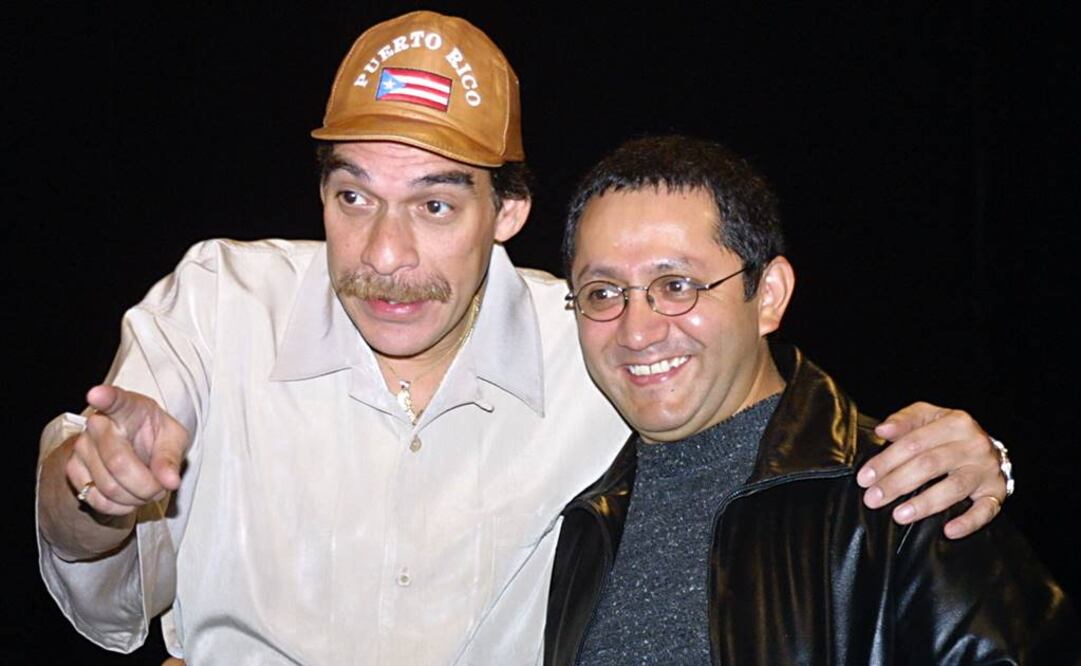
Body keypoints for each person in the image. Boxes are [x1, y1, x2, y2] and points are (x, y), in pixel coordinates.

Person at [36, 11, 1010, 664]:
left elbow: (766, 427)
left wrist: (970, 458)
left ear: (507, 211)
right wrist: (92, 490)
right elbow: (99, 594)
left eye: (434, 204)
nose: (384, 254)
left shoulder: (596, 338)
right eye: (353, 198)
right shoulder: (221, 301)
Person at [546, 135, 1077, 664]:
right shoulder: (588, 520)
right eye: (603, 293)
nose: (637, 331)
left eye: (677, 285)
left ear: (769, 295)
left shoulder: (905, 497)